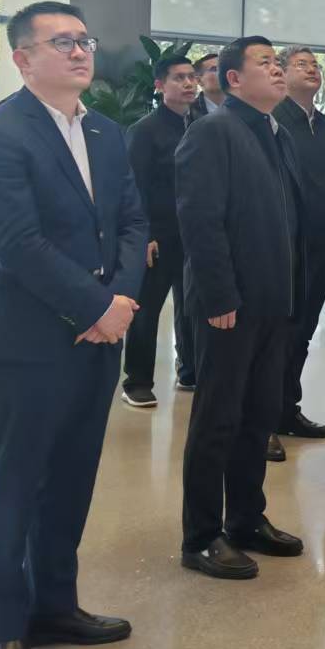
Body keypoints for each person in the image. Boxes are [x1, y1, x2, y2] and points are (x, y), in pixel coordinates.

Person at [0, 2, 146, 649]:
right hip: (27, 340)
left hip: (98, 337)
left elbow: (133, 221)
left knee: (72, 478)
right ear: (23, 58)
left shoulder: (105, 131)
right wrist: (96, 306)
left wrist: (118, 303)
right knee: (14, 482)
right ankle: (3, 626)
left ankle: (54, 606)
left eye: (84, 40)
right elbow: (17, 243)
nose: (79, 51)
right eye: (61, 41)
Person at [176, 37, 307, 579]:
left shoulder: (273, 131)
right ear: (233, 79)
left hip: (272, 300)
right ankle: (201, 536)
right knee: (218, 420)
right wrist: (219, 295)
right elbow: (199, 218)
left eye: (279, 63)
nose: (278, 71)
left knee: (257, 417)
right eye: (266, 63)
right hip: (229, 304)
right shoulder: (214, 131)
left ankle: (247, 518)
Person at [120, 53, 200, 407]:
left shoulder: (200, 125)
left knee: (191, 304)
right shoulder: (145, 130)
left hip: (193, 233)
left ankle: (190, 370)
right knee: (147, 309)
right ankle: (137, 381)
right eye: (179, 78)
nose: (188, 83)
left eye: (191, 77)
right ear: (159, 85)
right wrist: (144, 235)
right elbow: (134, 186)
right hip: (157, 235)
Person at [273, 46, 325, 446]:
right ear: (281, 73)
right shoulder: (273, 120)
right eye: (302, 64)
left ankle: (287, 409)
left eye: (316, 65)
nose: (313, 69)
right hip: (282, 243)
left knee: (303, 328)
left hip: (318, 242)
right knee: (277, 332)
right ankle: (263, 419)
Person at [190, 52, 225, 118]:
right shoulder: (188, 113)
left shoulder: (243, 104)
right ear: (199, 80)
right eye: (215, 69)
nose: (224, 72)